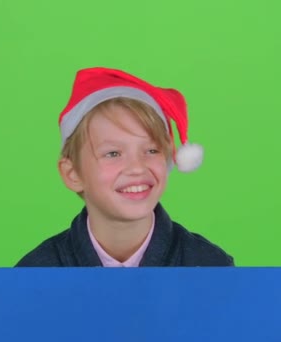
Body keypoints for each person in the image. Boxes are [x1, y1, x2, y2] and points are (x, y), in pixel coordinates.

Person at [16, 67, 234, 267]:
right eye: (113, 154)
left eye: (151, 150)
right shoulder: (37, 271)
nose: (137, 168)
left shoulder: (209, 265)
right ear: (73, 173)